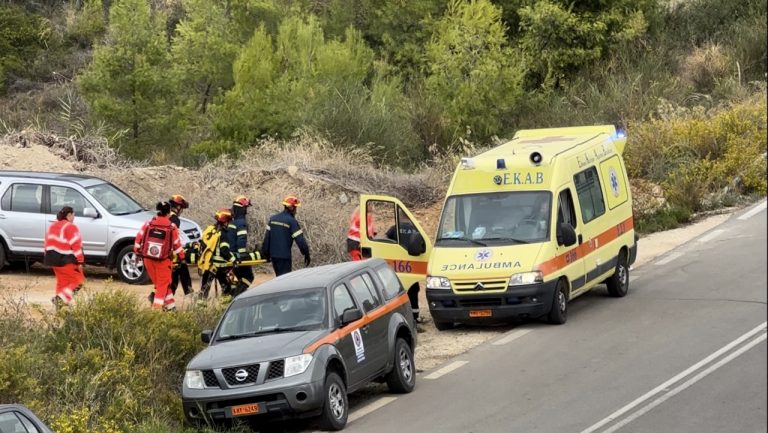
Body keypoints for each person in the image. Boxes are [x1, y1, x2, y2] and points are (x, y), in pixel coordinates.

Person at [134, 202, 185, 311]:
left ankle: (171, 308)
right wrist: (182, 257)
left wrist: (137, 252)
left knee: (162, 285)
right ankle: (156, 312)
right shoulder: (171, 227)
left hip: (148, 259)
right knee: (162, 286)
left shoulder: (149, 223)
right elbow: (177, 245)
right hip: (163, 261)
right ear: (168, 212)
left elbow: (138, 239)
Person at [384, 215, 423, 325]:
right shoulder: (415, 229)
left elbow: (384, 241)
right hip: (411, 266)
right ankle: (415, 317)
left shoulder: (393, 229)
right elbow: (422, 246)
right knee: (413, 290)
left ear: (400, 218)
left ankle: (400, 316)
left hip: (397, 267)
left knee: (397, 291)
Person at [44, 206, 85, 309]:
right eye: (73, 215)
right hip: (66, 260)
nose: (74, 218)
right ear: (69, 215)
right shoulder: (71, 227)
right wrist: (80, 261)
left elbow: (46, 243)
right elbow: (76, 245)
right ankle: (60, 300)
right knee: (78, 282)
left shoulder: (52, 226)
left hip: (52, 260)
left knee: (62, 282)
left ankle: (59, 307)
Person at [261, 195, 310, 277]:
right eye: (295, 208)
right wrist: (306, 253)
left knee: (278, 278)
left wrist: (265, 253)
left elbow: (267, 239)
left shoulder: (273, 219)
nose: (296, 211)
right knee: (284, 281)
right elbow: (300, 240)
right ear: (291, 208)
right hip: (284, 257)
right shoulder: (291, 221)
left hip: (274, 256)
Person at [199, 208, 236, 298]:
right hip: (219, 268)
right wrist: (234, 260)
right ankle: (224, 308)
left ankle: (200, 309)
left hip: (208, 266)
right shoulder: (223, 233)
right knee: (227, 289)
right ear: (226, 221)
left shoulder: (210, 230)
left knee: (204, 290)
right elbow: (224, 251)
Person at [166, 194, 193, 300]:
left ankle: (158, 298)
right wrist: (181, 255)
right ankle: (189, 292)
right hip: (171, 254)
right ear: (178, 207)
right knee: (181, 269)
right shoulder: (174, 219)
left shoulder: (164, 215)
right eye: (182, 208)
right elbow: (174, 239)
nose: (182, 211)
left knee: (172, 280)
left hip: (163, 253)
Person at [229, 195, 255, 295]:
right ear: (242, 208)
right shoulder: (241, 223)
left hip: (230, 255)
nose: (246, 210)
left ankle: (234, 294)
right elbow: (241, 240)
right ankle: (236, 296)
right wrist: (242, 255)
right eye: (246, 208)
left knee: (239, 277)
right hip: (236, 256)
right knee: (249, 277)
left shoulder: (231, 221)